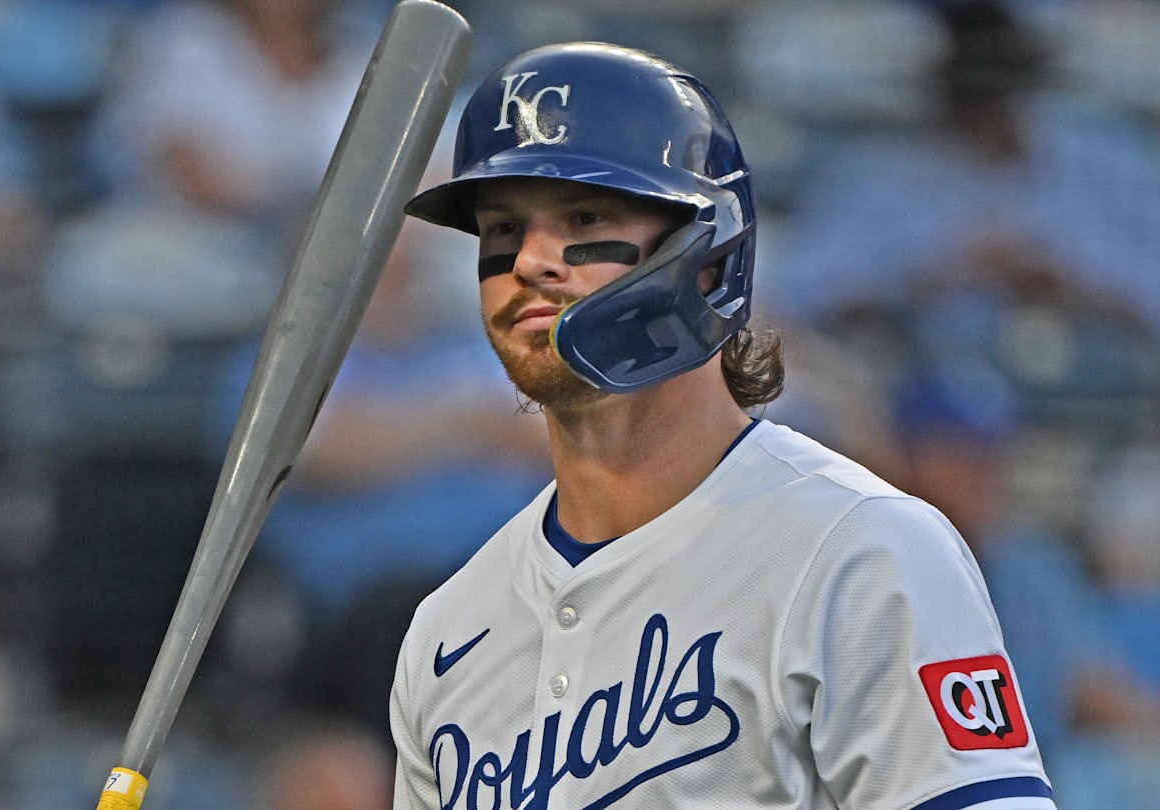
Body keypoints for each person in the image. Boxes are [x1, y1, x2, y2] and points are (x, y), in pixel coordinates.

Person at [388, 41, 1057, 809]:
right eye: (502, 230)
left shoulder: (862, 547)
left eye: (584, 216)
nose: (531, 259)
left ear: (708, 257)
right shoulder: (446, 634)